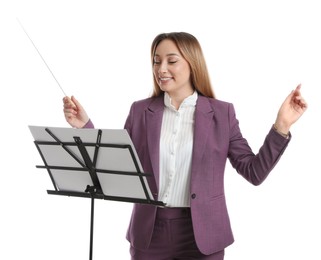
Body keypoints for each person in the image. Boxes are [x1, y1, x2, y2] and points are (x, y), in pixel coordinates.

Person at [63, 32, 307, 260]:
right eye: (157, 62)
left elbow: (254, 172)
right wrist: (85, 126)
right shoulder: (141, 111)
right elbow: (115, 166)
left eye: (172, 61)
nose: (162, 69)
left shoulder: (222, 113)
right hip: (150, 234)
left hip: (203, 235)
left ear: (192, 64)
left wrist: (282, 125)